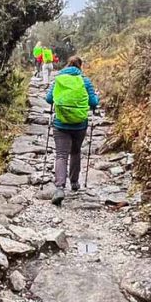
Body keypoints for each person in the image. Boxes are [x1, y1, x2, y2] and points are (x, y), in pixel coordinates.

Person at [45, 55, 100, 205]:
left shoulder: (58, 80)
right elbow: (93, 102)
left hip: (60, 123)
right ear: (80, 67)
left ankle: (59, 188)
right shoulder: (85, 81)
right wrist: (97, 97)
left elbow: (49, 99)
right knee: (75, 152)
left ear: (67, 65)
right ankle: (74, 183)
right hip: (79, 124)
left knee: (61, 155)